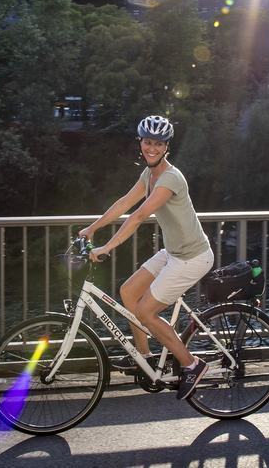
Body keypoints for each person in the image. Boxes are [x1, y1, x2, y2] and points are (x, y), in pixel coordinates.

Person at [78, 115, 215, 400]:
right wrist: (93, 228)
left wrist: (107, 247)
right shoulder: (148, 174)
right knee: (128, 292)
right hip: (173, 252)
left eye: (158, 143)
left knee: (145, 312)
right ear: (140, 142)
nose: (151, 147)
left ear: (166, 147)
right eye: (147, 141)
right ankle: (144, 357)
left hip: (192, 257)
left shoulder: (170, 178)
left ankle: (191, 364)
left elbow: (140, 215)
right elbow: (125, 203)